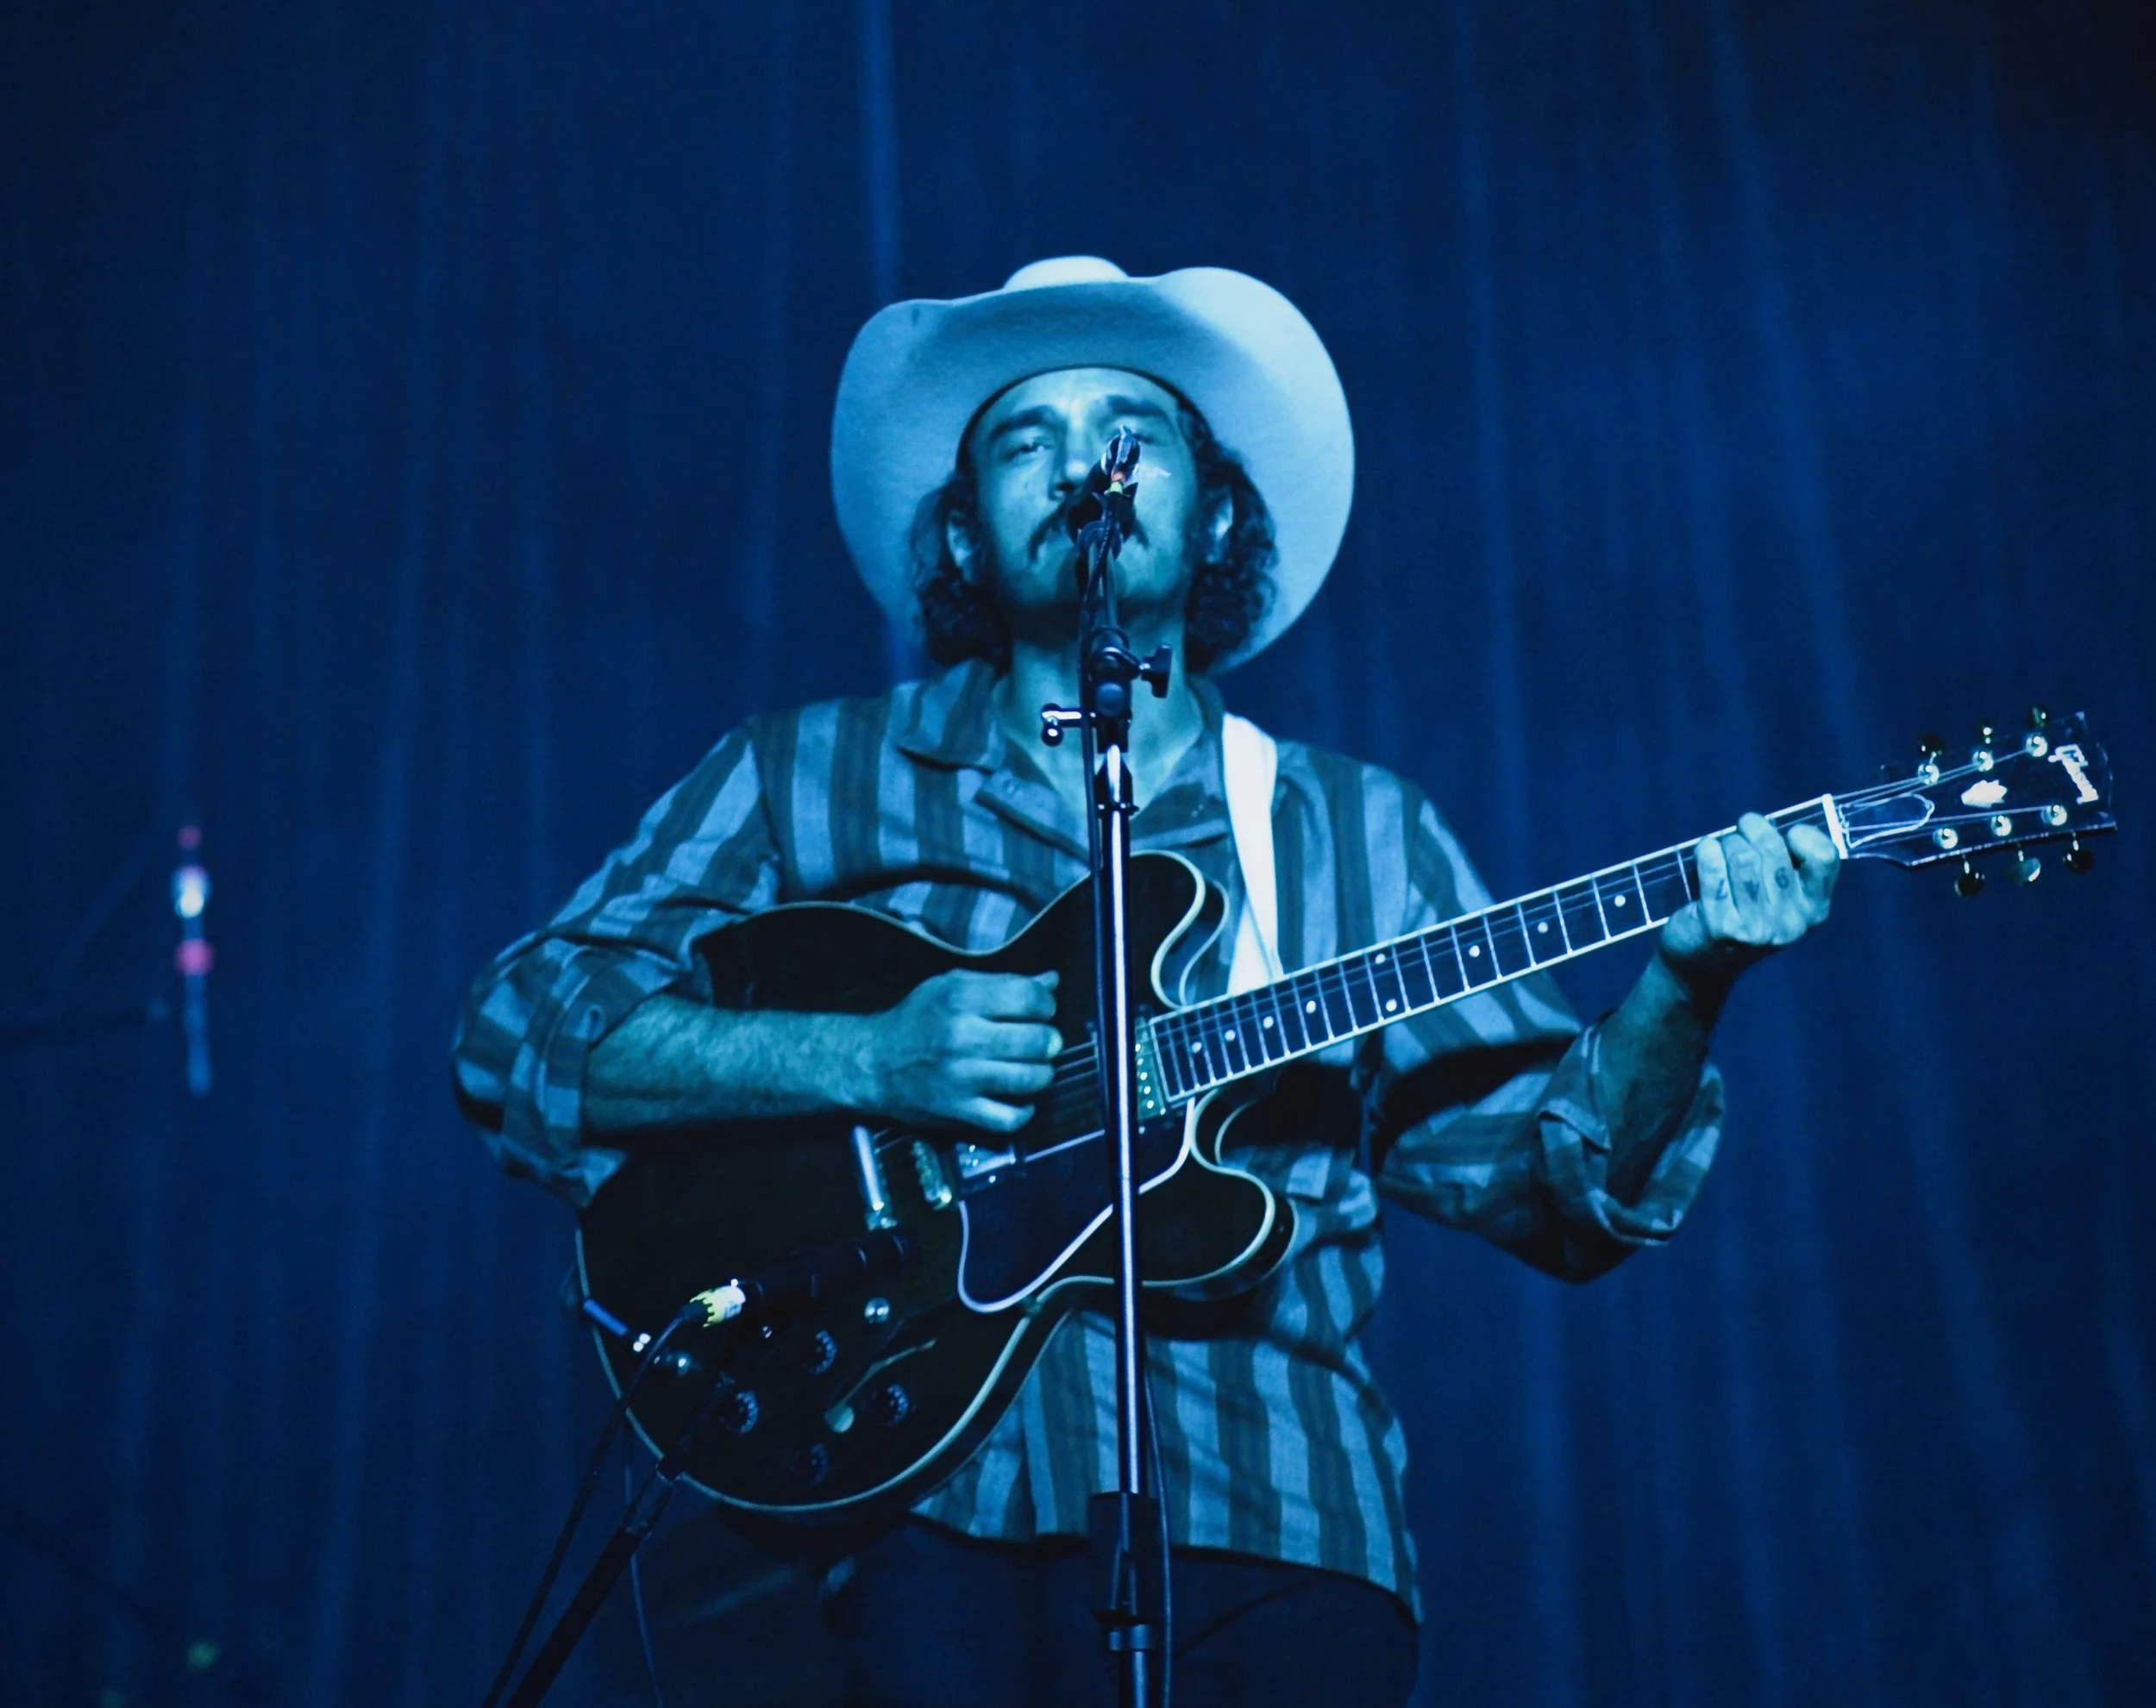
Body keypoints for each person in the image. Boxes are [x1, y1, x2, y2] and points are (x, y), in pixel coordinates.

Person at [454, 258, 1837, 1708]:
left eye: (1129, 426)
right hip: (904, 1516)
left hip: (1278, 1523)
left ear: (1218, 508)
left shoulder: (1344, 830)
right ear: (966, 539)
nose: (1079, 465)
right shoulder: (809, 777)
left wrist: (1687, 977)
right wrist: (865, 1059)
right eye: (1022, 438)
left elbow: (1553, 1187)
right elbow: (518, 1033)